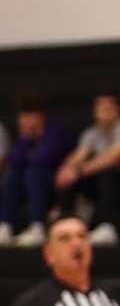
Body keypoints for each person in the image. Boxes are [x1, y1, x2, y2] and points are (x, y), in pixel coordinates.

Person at [53, 92, 120, 246]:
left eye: (109, 107)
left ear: (118, 110)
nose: (104, 111)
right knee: (73, 180)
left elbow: (112, 159)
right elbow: (78, 156)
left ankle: (107, 227)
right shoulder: (92, 133)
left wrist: (78, 171)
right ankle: (63, 226)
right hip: (109, 186)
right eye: (100, 107)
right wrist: (65, 171)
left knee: (107, 173)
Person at [0, 90, 74, 248]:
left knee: (32, 173)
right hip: (32, 185)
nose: (22, 121)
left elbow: (42, 160)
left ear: (38, 116)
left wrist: (27, 139)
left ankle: (38, 227)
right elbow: (13, 161)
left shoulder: (55, 132)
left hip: (58, 186)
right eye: (20, 116)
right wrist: (25, 139)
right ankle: (5, 226)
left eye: (26, 116)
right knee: (13, 175)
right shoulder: (25, 138)